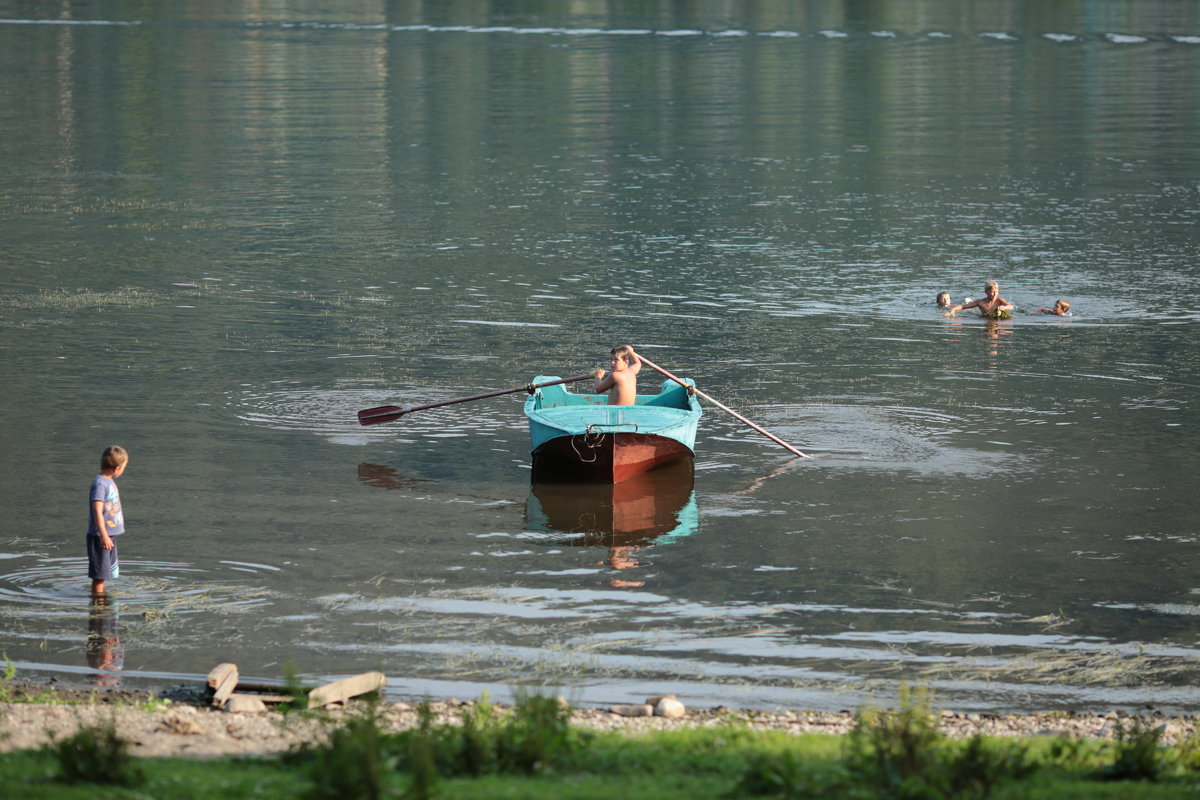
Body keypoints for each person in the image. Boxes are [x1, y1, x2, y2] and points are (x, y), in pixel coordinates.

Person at [87, 445, 128, 595]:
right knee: (99, 576)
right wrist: (103, 536)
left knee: (105, 574)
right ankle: (98, 604)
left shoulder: (108, 482)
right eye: (124, 467)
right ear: (117, 468)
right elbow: (97, 511)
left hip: (108, 535)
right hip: (100, 537)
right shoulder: (100, 484)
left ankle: (101, 600)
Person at [944, 280, 1015, 319]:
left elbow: (1011, 306)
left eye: (996, 292)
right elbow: (963, 307)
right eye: (992, 292)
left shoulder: (999, 300)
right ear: (986, 292)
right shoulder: (981, 302)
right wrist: (953, 309)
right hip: (985, 318)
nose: (995, 294)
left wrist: (1004, 308)